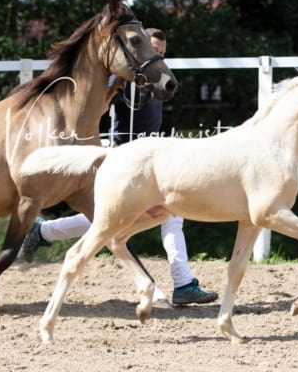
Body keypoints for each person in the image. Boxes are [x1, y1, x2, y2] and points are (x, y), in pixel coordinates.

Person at [22, 28, 218, 306]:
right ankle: (183, 283)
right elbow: (97, 108)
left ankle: (44, 232)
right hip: (127, 156)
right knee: (133, 216)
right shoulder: (125, 80)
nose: (158, 57)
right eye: (154, 51)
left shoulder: (154, 78)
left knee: (150, 215)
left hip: (151, 156)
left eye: (162, 53)